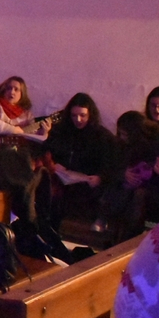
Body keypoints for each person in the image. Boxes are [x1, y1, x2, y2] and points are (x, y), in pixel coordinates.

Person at [100, 111, 159, 244]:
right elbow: (111, 167)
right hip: (126, 190)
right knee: (120, 193)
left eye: (125, 134)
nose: (121, 137)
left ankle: (125, 241)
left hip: (156, 196)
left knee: (138, 195)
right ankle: (113, 237)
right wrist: (124, 173)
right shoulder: (122, 144)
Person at [42, 92, 116, 230]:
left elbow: (111, 163)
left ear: (90, 114)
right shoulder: (62, 131)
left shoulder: (101, 136)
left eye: (83, 115)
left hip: (86, 182)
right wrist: (55, 164)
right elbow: (51, 151)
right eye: (74, 115)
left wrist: (101, 177)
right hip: (63, 179)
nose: (78, 120)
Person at [0, 75, 50, 140]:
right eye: (9, 88)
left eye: (16, 89)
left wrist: (43, 133)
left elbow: (32, 138)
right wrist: (12, 130)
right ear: (4, 90)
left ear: (22, 93)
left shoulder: (27, 115)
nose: (12, 92)